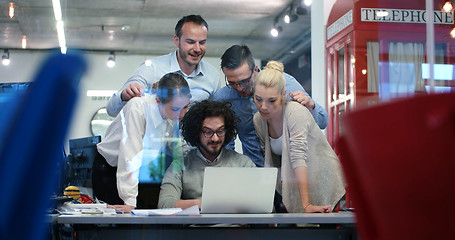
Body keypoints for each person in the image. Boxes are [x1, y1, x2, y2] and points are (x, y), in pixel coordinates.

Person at [253, 61, 345, 213]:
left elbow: (298, 157)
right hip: (298, 185)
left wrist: (306, 205)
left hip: (323, 180)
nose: (263, 106)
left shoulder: (295, 112)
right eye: (258, 99)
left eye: (271, 100)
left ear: (283, 94)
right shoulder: (259, 120)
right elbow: (271, 163)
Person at [214, 45, 328, 166]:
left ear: (255, 70)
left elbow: (322, 122)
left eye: (244, 81)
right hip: (254, 171)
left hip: (291, 168)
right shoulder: (224, 98)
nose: (240, 88)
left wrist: (311, 106)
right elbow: (226, 142)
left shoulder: (284, 85)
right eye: (232, 83)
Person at [93, 73, 191, 213]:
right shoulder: (138, 108)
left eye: (185, 107)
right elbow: (130, 155)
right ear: (158, 101)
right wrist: (130, 201)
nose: (181, 114)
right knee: (123, 221)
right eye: (175, 109)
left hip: (142, 169)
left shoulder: (172, 111)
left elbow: (177, 146)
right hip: (110, 168)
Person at [106, 14, 220, 117]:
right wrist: (124, 96)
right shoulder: (151, 69)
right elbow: (111, 110)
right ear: (177, 40)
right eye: (190, 42)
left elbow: (215, 118)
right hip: (155, 139)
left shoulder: (212, 76)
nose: (197, 49)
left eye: (202, 42)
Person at [158, 100, 256, 209]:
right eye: (208, 132)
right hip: (196, 225)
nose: (215, 138)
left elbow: (266, 207)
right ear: (196, 132)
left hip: (235, 225)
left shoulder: (243, 164)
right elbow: (164, 205)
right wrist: (204, 204)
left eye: (220, 131)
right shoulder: (180, 165)